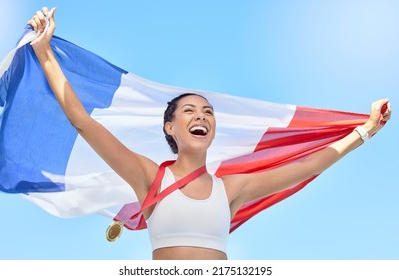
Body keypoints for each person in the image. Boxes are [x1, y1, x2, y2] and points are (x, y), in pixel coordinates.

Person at [28, 7, 391, 260]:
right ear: (170, 127)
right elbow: (83, 122)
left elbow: (309, 166)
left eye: (208, 112)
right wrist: (45, 53)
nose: (201, 116)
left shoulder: (231, 189)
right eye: (189, 110)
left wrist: (365, 130)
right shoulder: (147, 176)